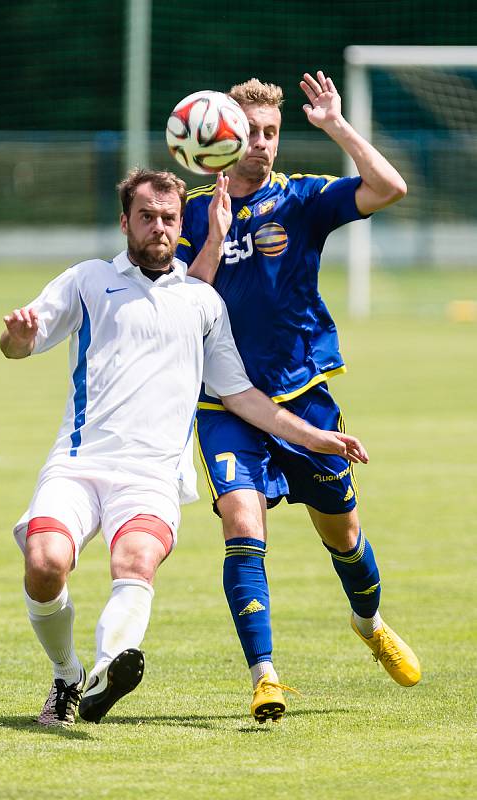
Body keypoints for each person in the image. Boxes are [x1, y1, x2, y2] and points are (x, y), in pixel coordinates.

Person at [0, 167, 368, 728]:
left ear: (181, 225)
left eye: (168, 218)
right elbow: (16, 344)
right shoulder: (88, 280)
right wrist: (19, 338)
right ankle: (68, 675)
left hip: (150, 478)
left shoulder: (202, 301)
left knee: (135, 560)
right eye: (146, 216)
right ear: (125, 221)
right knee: (46, 564)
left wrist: (315, 436)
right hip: (78, 466)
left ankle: (104, 672)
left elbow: (242, 396)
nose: (158, 227)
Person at [177, 71, 421, 724]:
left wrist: (336, 126)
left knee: (343, 535)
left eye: (270, 133)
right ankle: (264, 677)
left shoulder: (303, 200)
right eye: (249, 132)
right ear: (222, 136)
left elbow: (390, 188)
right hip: (224, 403)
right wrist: (209, 237)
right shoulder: (192, 212)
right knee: (241, 526)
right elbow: (177, 305)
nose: (261, 144)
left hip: (304, 396)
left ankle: (368, 624)